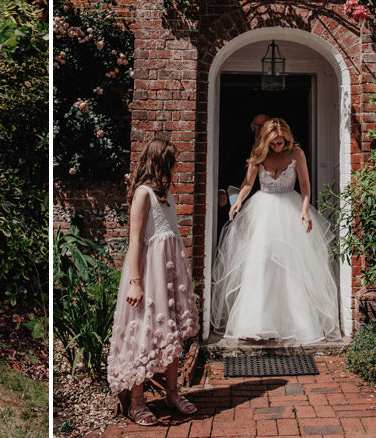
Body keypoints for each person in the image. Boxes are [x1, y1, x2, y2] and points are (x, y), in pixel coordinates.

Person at [210, 118, 341, 344]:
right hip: (263, 212)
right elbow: (248, 184)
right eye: (273, 143)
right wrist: (238, 201)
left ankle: (295, 324)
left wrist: (305, 210)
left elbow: (306, 185)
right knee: (261, 264)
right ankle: (257, 323)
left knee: (292, 267)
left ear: (287, 138)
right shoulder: (259, 154)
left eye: (281, 142)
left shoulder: (297, 154)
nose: (277, 147)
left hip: (290, 210)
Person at [106, 137, 199, 426]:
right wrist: (135, 281)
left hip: (169, 275)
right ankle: (136, 401)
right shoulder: (143, 194)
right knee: (144, 332)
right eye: (169, 162)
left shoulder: (166, 194)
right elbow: (135, 240)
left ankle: (172, 392)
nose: (172, 167)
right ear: (157, 162)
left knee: (169, 330)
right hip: (149, 274)